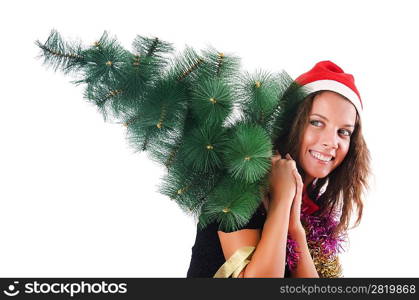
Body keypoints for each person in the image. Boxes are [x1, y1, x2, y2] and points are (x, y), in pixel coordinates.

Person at [186, 60, 371, 278]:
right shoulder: (239, 185)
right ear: (292, 122)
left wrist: (296, 229)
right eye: (317, 122)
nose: (331, 142)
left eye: (344, 132)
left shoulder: (314, 211)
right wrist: (282, 201)